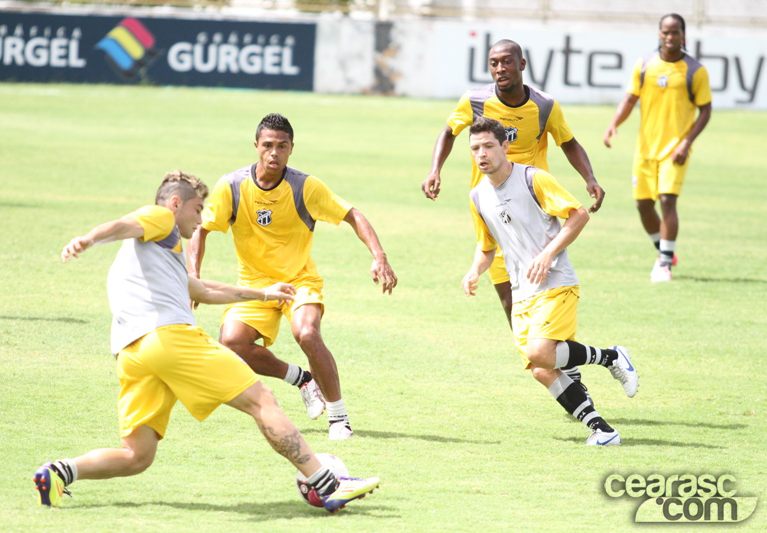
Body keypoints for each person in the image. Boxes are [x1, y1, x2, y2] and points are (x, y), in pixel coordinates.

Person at [33, 170, 379, 513]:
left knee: (137, 455)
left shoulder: (158, 253)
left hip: (131, 353)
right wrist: (89, 239)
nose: (201, 220)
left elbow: (203, 290)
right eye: (197, 209)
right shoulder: (161, 218)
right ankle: (328, 485)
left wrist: (264, 293)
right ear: (175, 203)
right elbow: (125, 224)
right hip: (170, 339)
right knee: (261, 400)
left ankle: (60, 472)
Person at [188, 114, 397, 441]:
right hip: (255, 286)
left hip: (299, 281)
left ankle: (339, 418)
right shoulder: (232, 186)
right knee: (232, 343)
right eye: (268, 145)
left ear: (291, 149)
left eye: (282, 146)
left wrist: (379, 255)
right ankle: (302, 379)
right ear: (256, 146)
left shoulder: (305, 187)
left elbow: (352, 215)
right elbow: (201, 229)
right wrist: (193, 276)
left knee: (307, 333)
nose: (274, 153)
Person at [422, 38, 605, 394]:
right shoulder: (474, 101)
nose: (500, 69)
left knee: (545, 293)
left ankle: (567, 367)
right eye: (494, 63)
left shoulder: (544, 106)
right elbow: (448, 132)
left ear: (522, 64)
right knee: (512, 304)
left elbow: (569, 142)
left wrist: (590, 178)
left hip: (533, 214)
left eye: (507, 62)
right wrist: (435, 170)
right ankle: (560, 364)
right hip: (492, 213)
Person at [461, 118, 638, 446]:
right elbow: (487, 247)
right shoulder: (478, 196)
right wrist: (474, 270)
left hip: (555, 282)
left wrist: (547, 254)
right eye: (475, 148)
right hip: (521, 292)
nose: (481, 154)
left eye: (488, 146)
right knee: (540, 368)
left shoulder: (533, 179)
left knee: (540, 352)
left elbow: (578, 215)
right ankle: (603, 431)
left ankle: (612, 357)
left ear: (505, 147)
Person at [603, 13, 712, 282]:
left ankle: (664, 265)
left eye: (675, 32)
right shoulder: (645, 65)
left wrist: (686, 142)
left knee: (666, 200)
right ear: (659, 34)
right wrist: (614, 124)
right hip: (645, 149)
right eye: (666, 32)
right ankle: (664, 250)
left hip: (675, 151)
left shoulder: (695, 71)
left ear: (683, 35)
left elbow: (706, 110)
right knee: (643, 205)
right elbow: (630, 99)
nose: (670, 37)